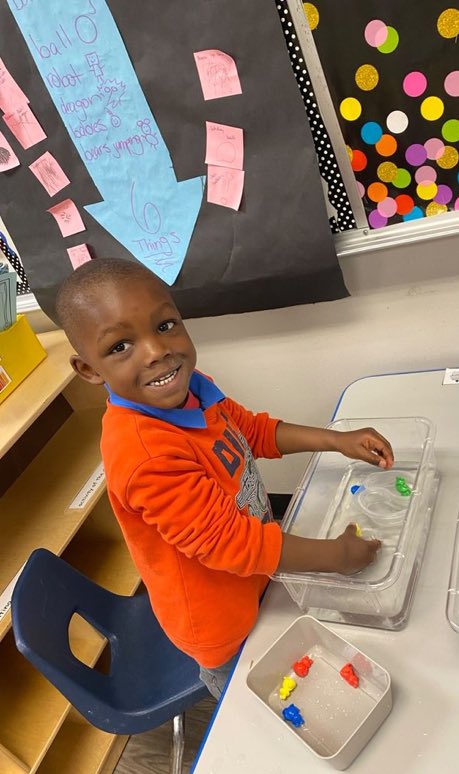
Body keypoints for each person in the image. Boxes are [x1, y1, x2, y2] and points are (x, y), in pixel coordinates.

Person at [56, 257, 394, 700]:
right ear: (89, 370)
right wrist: (338, 556)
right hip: (220, 625)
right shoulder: (144, 453)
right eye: (120, 346)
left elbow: (251, 431)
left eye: (165, 325)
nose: (157, 351)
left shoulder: (194, 387)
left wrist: (337, 440)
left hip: (259, 579)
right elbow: (233, 544)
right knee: (268, 705)